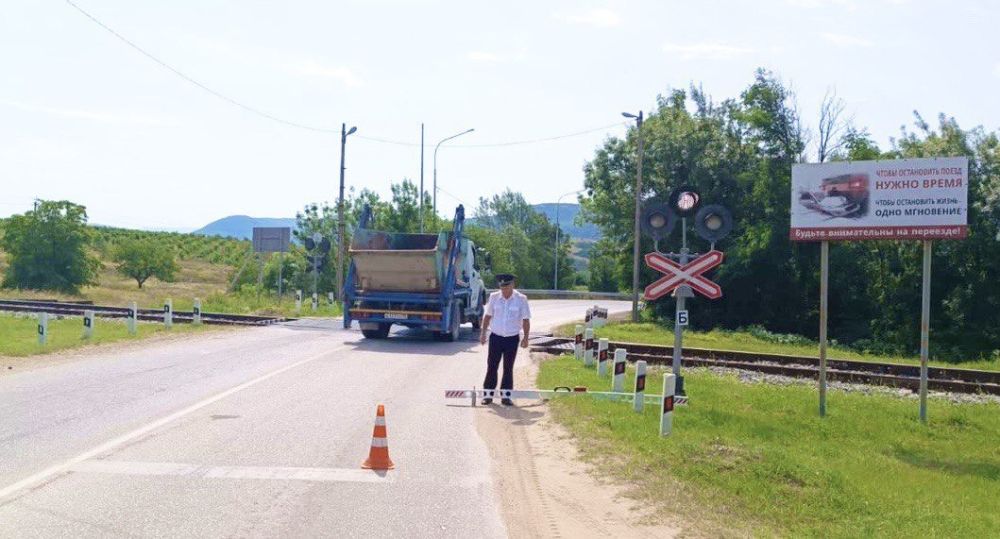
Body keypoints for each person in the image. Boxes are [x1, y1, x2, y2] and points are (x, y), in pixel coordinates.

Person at [478, 273, 531, 405]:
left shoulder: (521, 299)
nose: (504, 290)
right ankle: (488, 395)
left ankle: (506, 396)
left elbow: (525, 319)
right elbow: (487, 316)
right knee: (492, 366)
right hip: (496, 337)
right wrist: (483, 333)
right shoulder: (494, 297)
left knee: (508, 368)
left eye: (506, 287)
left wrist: (526, 338)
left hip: (512, 339)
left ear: (512, 285)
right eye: (502, 287)